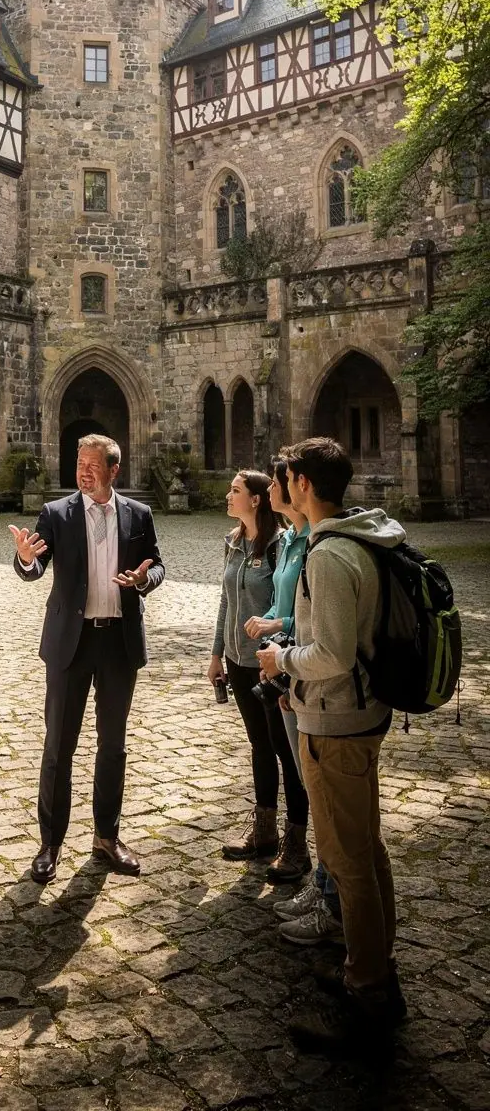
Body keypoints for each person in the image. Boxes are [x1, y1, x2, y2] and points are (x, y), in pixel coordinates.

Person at [257, 436, 405, 1054]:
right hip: (358, 715)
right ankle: (373, 968)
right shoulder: (361, 539)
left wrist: (279, 659)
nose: (280, 486)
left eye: (286, 477)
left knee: (349, 861)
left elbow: (334, 654)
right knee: (364, 852)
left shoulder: (328, 555)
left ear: (305, 487)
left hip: (338, 723)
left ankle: (368, 990)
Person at [9, 433, 164, 884]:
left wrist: (143, 579)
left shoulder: (139, 514)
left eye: (93, 464)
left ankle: (106, 837)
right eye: (80, 463)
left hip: (118, 642)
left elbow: (157, 564)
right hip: (69, 645)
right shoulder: (57, 513)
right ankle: (50, 843)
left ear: (115, 470)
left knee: (112, 746)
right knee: (58, 746)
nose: (84, 471)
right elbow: (35, 566)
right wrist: (24, 560)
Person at [208, 469, 304, 865]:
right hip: (238, 660)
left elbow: (287, 604)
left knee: (286, 751)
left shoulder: (281, 546)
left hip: (270, 663)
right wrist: (217, 654)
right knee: (260, 747)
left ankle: (296, 841)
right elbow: (226, 601)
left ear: (257, 499)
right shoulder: (233, 543)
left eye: (235, 491)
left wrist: (268, 634)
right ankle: (264, 831)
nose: (227, 496)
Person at [243, 458, 316, 886]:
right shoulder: (288, 541)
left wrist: (278, 627)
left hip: (301, 665)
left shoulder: (314, 544)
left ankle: (305, 851)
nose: (272, 488)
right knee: (284, 752)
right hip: (281, 665)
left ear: (298, 487)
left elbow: (309, 618)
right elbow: (281, 600)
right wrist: (271, 623)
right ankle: (309, 863)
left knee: (300, 766)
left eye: (277, 481)